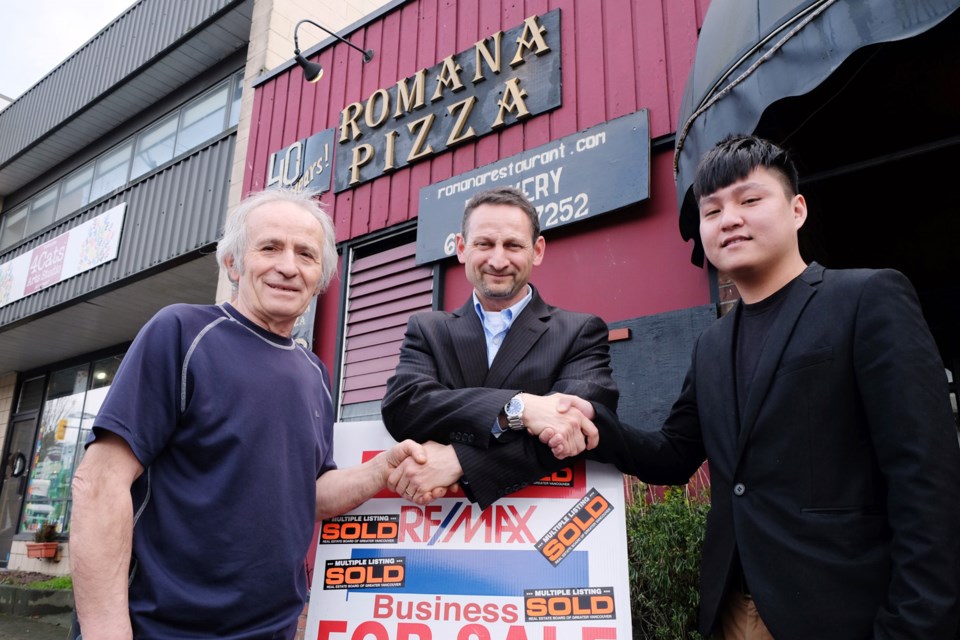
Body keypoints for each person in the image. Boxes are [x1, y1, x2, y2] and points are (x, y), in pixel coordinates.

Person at [591, 135, 960, 639]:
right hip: (731, 610)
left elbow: (926, 479)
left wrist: (915, 623)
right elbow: (674, 455)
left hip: (843, 610)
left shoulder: (866, 298)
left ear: (797, 209)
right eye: (712, 210)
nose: (729, 219)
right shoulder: (712, 344)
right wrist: (590, 424)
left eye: (749, 200)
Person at [69, 189, 432, 639]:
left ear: (320, 278)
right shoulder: (181, 334)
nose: (288, 266)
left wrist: (381, 468)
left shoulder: (313, 372)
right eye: (270, 247)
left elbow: (311, 495)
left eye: (306, 254)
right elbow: (99, 484)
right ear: (233, 264)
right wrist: (106, 631)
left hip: (272, 631)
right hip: (164, 629)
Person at [380, 186, 619, 509]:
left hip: (538, 527)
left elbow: (572, 428)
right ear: (462, 248)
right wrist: (522, 407)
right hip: (437, 529)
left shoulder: (580, 332)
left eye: (513, 245)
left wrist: (459, 460)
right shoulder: (427, 330)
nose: (497, 259)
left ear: (537, 250)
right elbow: (405, 407)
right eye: (484, 244)